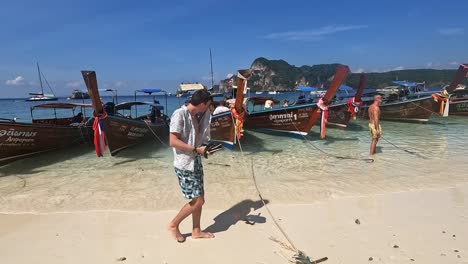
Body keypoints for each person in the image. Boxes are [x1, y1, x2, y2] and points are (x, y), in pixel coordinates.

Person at [168, 89, 215, 243]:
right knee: (197, 201)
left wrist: (203, 150)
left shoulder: (195, 116)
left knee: (201, 198)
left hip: (195, 161)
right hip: (184, 164)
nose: (209, 108)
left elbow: (195, 140)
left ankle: (196, 230)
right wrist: (195, 149)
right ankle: (174, 225)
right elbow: (173, 141)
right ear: (202, 104)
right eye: (208, 105)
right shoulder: (179, 114)